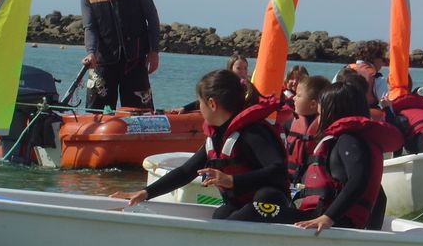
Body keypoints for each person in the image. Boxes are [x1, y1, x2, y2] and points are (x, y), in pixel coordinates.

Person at [225, 81, 403, 235]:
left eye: (321, 111)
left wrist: (328, 218)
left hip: (328, 222)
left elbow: (359, 180)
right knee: (234, 210)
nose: (320, 117)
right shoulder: (354, 140)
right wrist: (372, 234)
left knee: (253, 211)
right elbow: (380, 197)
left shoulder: (349, 140)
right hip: (324, 219)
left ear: (333, 110)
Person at [110, 69, 289, 219]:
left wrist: (231, 180)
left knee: (259, 200)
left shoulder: (253, 133)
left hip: (271, 205)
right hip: (239, 205)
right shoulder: (216, 138)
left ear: (212, 104)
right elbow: (186, 172)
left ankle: (298, 218)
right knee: (220, 216)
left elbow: (278, 171)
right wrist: (145, 193)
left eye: (200, 103)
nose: (199, 109)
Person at [80, 0, 161, 111]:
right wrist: (90, 52)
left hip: (135, 60)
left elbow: (152, 18)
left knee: (140, 111)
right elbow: (90, 27)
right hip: (103, 61)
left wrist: (154, 52)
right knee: (96, 110)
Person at [283, 75, 331, 182]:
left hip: (313, 179)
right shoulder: (288, 123)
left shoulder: (326, 127)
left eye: (299, 95)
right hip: (289, 178)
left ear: (313, 104)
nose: (294, 98)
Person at [175, 54, 254, 113]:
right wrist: (185, 108)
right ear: (230, 69)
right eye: (238, 68)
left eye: (245, 68)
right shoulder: (225, 86)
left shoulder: (250, 87)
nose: (243, 71)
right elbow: (207, 101)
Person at [334, 40, 389, 109]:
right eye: (383, 59)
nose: (383, 64)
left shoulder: (342, 71)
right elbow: (385, 104)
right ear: (374, 59)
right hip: (364, 113)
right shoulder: (377, 77)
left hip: (340, 112)